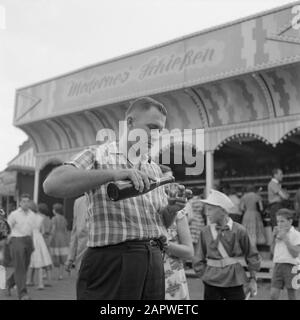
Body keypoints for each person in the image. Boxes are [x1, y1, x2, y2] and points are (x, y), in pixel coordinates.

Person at [43, 96, 186, 300]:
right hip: (113, 261)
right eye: (151, 127)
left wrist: (171, 210)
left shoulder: (153, 167)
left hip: (153, 260)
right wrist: (113, 174)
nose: (156, 135)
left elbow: (161, 222)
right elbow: (52, 184)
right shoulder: (97, 154)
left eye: (160, 130)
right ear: (129, 122)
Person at [193, 189, 261, 300]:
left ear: (223, 211)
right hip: (211, 281)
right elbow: (198, 258)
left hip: (234, 280)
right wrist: (205, 275)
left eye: (210, 209)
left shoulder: (240, 230)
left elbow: (252, 255)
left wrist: (253, 279)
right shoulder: (205, 232)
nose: (207, 213)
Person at [6, 194, 35, 300]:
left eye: (28, 201)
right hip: (16, 239)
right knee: (20, 267)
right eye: (23, 201)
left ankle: (9, 283)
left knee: (24, 267)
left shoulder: (32, 214)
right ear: (20, 203)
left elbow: (33, 230)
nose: (26, 203)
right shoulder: (14, 214)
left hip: (28, 240)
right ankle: (22, 294)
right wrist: (9, 240)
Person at [270, 209, 300, 300]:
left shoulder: (297, 234)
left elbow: (295, 254)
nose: (279, 224)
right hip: (278, 265)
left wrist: (285, 239)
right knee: (273, 295)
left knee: (292, 296)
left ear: (290, 221)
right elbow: (272, 251)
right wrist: (273, 237)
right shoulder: (278, 233)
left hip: (292, 266)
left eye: (282, 221)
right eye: (278, 221)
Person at [27, 201, 52, 289]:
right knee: (40, 259)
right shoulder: (40, 217)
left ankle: (32, 281)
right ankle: (39, 282)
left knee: (32, 260)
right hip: (39, 238)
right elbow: (43, 231)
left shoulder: (28, 217)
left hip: (32, 238)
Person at [65, 196, 89, 273]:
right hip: (82, 257)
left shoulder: (111, 197)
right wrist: (70, 258)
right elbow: (75, 231)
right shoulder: (79, 202)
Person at [240, 184, 266, 249]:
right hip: (255, 214)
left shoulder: (244, 197)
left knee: (247, 230)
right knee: (255, 230)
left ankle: (247, 246)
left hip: (247, 214)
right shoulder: (257, 196)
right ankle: (254, 247)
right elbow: (261, 208)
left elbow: (241, 208)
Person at [49, 203, 69, 280]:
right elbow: (65, 230)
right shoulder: (64, 218)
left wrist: (50, 238)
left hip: (56, 239)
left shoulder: (54, 219)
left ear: (55, 210)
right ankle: (61, 275)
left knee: (55, 256)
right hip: (63, 238)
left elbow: (53, 229)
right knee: (62, 258)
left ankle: (54, 274)